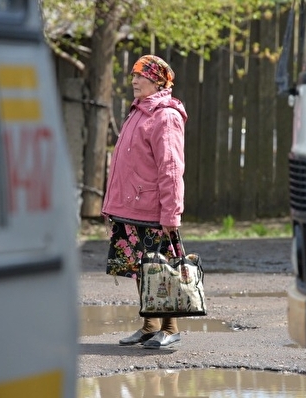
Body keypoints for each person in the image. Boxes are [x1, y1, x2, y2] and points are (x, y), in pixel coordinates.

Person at [101, 54, 188, 349]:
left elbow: (172, 168)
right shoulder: (138, 112)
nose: (134, 81)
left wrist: (171, 215)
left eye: (141, 76)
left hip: (153, 210)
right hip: (131, 208)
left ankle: (170, 327)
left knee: (160, 269)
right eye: (134, 76)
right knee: (141, 268)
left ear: (158, 80)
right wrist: (111, 205)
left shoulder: (166, 116)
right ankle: (150, 325)